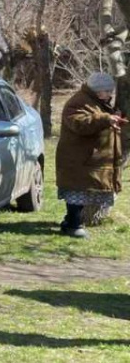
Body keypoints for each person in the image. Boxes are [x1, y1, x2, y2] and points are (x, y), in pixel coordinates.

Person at [56, 71, 124, 238]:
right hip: (78, 159)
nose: (110, 94)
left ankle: (69, 223)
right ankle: (73, 225)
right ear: (97, 90)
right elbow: (80, 124)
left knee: (82, 194)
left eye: (110, 91)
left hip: (88, 159)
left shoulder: (97, 101)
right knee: (77, 194)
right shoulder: (78, 102)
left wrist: (113, 117)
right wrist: (105, 119)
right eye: (107, 91)